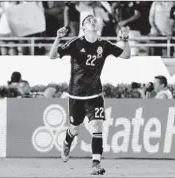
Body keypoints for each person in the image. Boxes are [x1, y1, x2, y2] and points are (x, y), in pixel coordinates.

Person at [49, 15, 131, 175]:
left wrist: (126, 41)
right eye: (90, 23)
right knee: (74, 129)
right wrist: (58, 38)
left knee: (97, 126)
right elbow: (52, 55)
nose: (93, 24)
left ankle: (96, 164)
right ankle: (67, 141)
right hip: (76, 95)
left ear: (98, 28)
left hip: (95, 95)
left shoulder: (104, 44)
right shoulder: (75, 43)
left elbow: (126, 55)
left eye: (95, 23)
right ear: (83, 28)